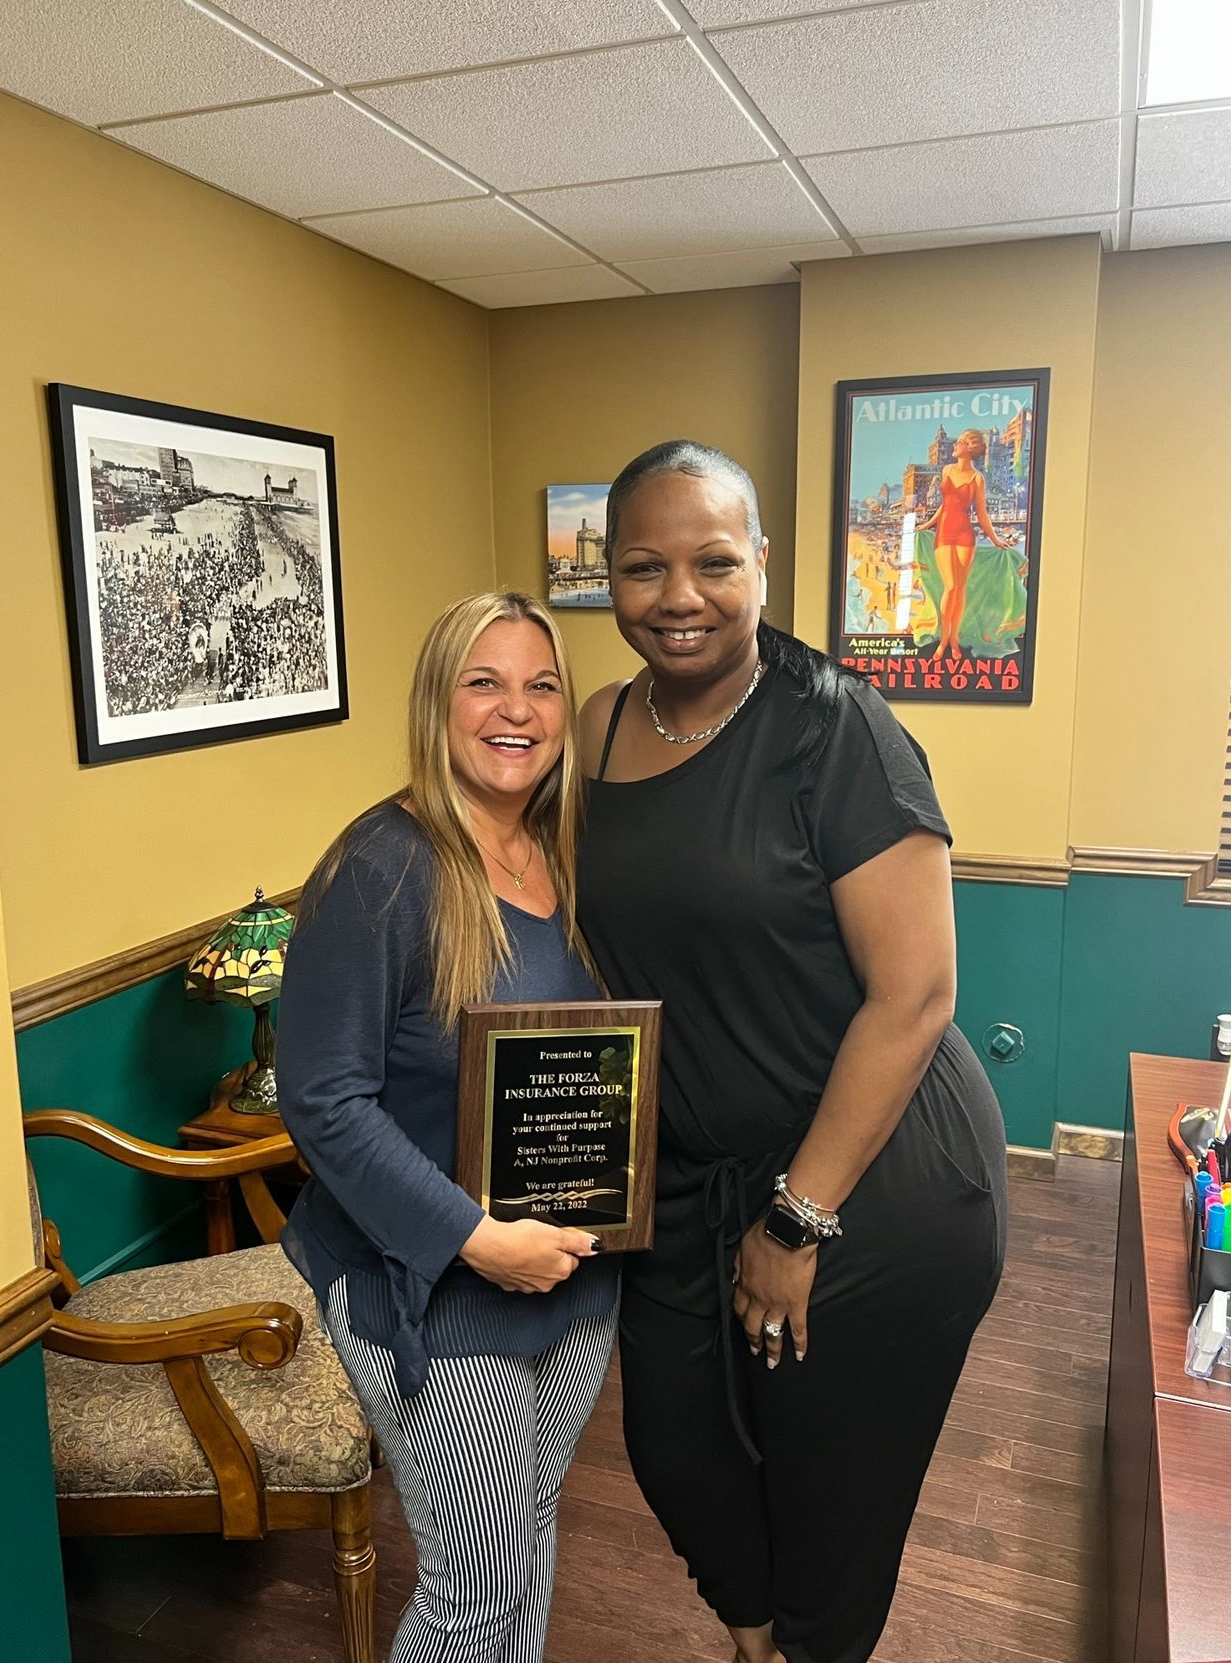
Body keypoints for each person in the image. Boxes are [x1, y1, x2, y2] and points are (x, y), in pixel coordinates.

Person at [576, 442, 1007, 1663]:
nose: (680, 595)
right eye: (643, 566)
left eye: (714, 561)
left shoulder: (837, 731)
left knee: (830, 1498)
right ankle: (758, 1644)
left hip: (872, 1184)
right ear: (604, 576)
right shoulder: (601, 728)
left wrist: (795, 1223)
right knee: (679, 1453)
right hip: (689, 1174)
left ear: (763, 563)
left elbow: (917, 994)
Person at [277, 590, 620, 1663]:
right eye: (484, 681)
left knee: (524, 1540)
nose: (514, 709)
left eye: (540, 684)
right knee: (472, 1589)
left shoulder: (569, 854)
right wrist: (478, 1240)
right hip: (436, 1295)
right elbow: (323, 1100)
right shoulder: (382, 869)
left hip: (573, 1279)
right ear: (438, 701)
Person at [915, 427, 1017, 659]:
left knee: (959, 589)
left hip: (965, 536)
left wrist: (995, 539)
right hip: (944, 533)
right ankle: (943, 640)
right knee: (950, 586)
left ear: (969, 449)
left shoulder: (977, 478)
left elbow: (981, 514)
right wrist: (927, 524)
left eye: (959, 442)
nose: (954, 445)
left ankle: (953, 639)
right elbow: (944, 505)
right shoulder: (946, 470)